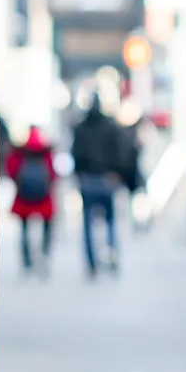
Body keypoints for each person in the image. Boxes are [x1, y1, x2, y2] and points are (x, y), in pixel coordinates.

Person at [71, 95, 125, 275]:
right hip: (106, 179)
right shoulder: (109, 127)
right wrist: (115, 172)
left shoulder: (81, 128)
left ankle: (92, 262)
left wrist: (80, 174)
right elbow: (119, 150)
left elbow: (75, 153)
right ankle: (112, 256)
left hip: (88, 179)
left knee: (87, 223)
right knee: (110, 221)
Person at [6, 125, 55, 273]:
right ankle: (44, 254)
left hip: (24, 196)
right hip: (43, 197)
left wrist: (19, 183)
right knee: (47, 226)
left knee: (24, 228)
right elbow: (52, 172)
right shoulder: (45, 151)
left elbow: (11, 168)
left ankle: (27, 260)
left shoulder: (20, 151)